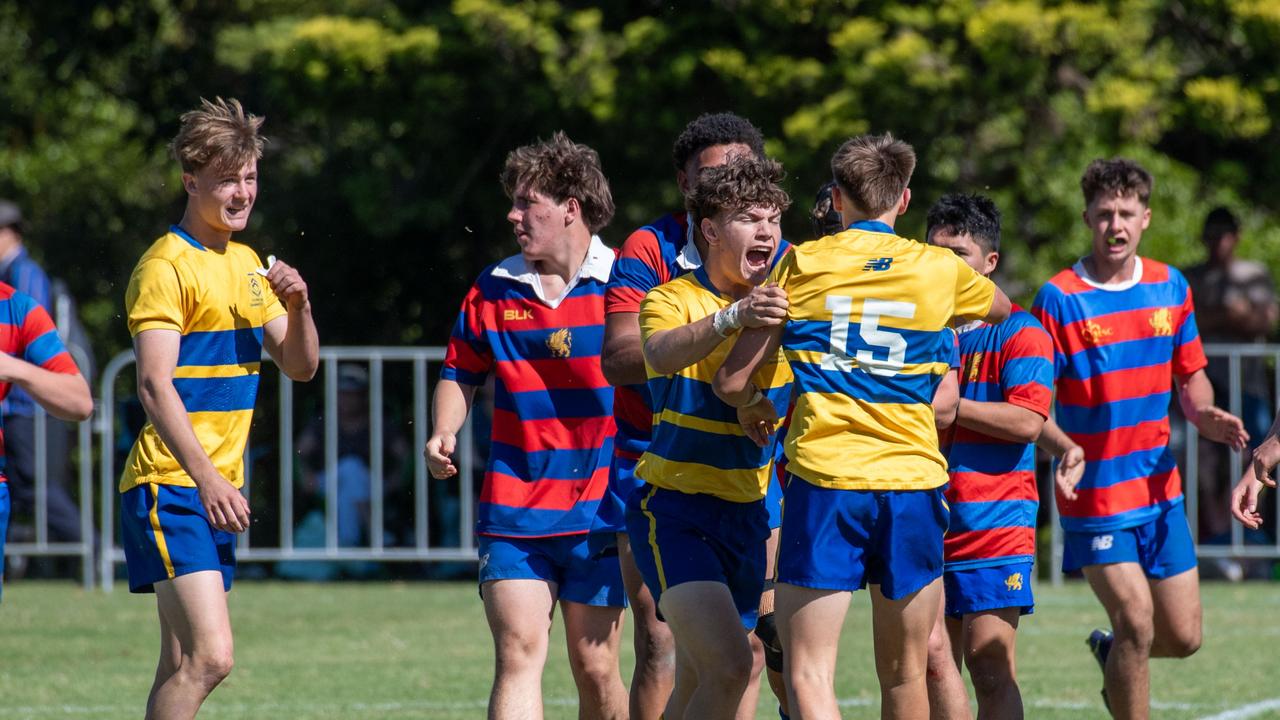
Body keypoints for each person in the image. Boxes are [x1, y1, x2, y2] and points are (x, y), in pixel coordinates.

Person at [715, 133, 1012, 719]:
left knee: (807, 671)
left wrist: (753, 404)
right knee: (905, 675)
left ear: (837, 197)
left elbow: (729, 383)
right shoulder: (937, 267)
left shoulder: (800, 263)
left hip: (827, 481)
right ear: (904, 201)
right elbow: (999, 307)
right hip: (912, 483)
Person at [119, 97, 319, 719]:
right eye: (228, 178)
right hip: (173, 483)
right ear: (191, 180)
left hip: (210, 489)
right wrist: (208, 479)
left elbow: (301, 366)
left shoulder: (249, 266)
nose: (242, 192)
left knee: (180, 665)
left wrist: (300, 304)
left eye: (251, 177)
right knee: (212, 659)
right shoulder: (165, 265)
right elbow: (154, 385)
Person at [1030, 158, 1248, 719]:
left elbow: (1190, 375)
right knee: (1137, 620)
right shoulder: (1058, 298)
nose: (1116, 225)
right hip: (1094, 498)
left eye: (1126, 213)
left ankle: (1111, 656)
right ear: (1087, 218)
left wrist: (1206, 415)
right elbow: (1032, 398)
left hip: (1157, 492)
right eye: (1105, 214)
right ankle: (1122, 651)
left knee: (1182, 637)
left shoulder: (1170, 285)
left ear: (1146, 218)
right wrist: (1061, 446)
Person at [425, 132, 628, 720]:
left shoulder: (626, 285)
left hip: (602, 508)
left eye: (527, 202)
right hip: (514, 508)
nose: (513, 216)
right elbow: (459, 372)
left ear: (572, 206)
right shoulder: (494, 288)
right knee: (517, 654)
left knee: (596, 669)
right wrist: (444, 431)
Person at [597, 112, 786, 719]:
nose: (767, 232)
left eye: (773, 219)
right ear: (707, 228)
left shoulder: (790, 299)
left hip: (752, 508)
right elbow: (654, 351)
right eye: (748, 218)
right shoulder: (673, 294)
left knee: (719, 671)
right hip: (675, 507)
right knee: (730, 664)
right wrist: (733, 319)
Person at [923, 194, 1084, 719]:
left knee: (988, 667)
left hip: (994, 521)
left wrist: (951, 407)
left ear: (990, 262)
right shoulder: (920, 330)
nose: (945, 264)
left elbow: (1026, 420)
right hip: (923, 515)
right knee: (929, 662)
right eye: (936, 251)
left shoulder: (1021, 331)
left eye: (959, 253)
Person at [1183, 207, 1277, 570]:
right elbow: (1188, 323)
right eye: (1211, 234)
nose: (1217, 242)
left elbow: (1263, 320)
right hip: (1205, 387)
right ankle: (1215, 535)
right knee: (1202, 461)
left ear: (1236, 237)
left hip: (1247, 386)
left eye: (1224, 234)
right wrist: (1232, 313)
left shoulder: (1252, 273)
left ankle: (1249, 538)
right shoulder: (1191, 276)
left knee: (1257, 456)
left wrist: (1217, 315)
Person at [0, 199, 85, 566]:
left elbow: (34, 343)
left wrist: (15, 373)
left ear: (11, 234)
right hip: (23, 403)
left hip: (28, 405)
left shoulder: (24, 278)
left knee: (40, 489)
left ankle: (92, 553)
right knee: (30, 489)